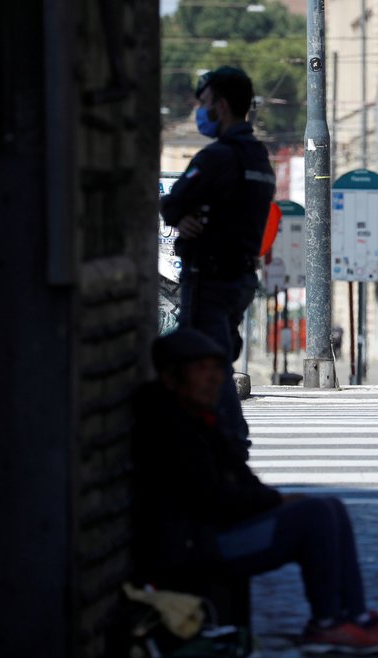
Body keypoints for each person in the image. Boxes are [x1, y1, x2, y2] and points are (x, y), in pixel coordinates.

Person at [132, 328, 378, 654]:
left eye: (217, 370)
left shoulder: (200, 418)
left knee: (331, 508)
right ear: (172, 377)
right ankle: (327, 623)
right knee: (314, 516)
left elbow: (242, 480)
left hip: (216, 532)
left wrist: (272, 500)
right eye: (202, 370)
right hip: (196, 547)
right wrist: (275, 502)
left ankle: (356, 617)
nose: (214, 379)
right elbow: (212, 500)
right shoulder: (169, 426)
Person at [160, 66, 276, 457]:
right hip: (241, 276)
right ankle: (217, 440)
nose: (200, 111)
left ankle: (229, 444)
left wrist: (190, 214)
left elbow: (173, 203)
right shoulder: (258, 155)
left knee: (206, 362)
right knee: (219, 359)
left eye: (205, 104)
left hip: (209, 275)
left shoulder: (218, 156)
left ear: (222, 106)